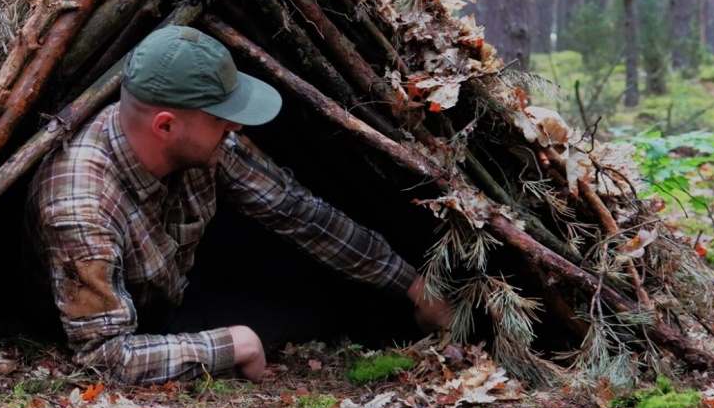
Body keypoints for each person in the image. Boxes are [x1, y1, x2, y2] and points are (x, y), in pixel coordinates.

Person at [28, 26, 449, 385]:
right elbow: (105, 355)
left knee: (312, 299)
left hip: (177, 296)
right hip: (126, 326)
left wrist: (413, 286)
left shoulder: (206, 145)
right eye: (220, 117)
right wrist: (231, 346)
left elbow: (296, 211)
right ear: (165, 125)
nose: (235, 126)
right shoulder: (80, 205)